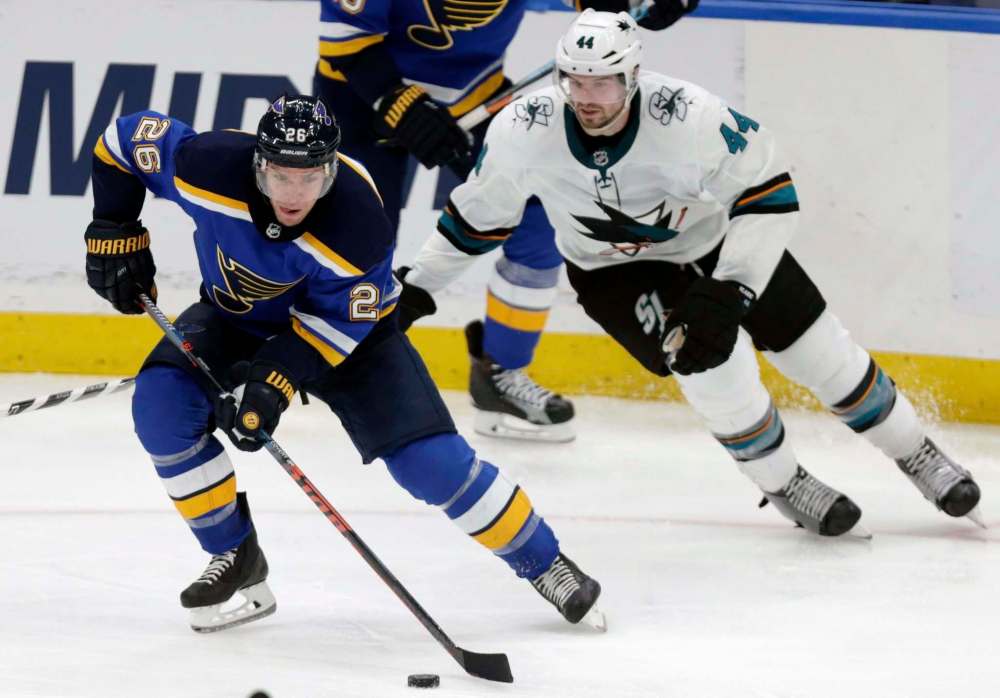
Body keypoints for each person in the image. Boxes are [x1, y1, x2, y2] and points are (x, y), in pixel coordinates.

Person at [395, 10, 984, 537]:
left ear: (631, 77)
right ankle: (784, 482)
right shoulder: (524, 131)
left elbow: (771, 193)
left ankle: (917, 453)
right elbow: (475, 220)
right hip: (615, 275)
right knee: (712, 372)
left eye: (601, 82)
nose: (586, 96)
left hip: (719, 243)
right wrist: (418, 288)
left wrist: (733, 287)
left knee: (820, 353)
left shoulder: (689, 115)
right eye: (574, 80)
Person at [84, 95, 603, 632]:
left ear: (330, 170)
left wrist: (271, 383)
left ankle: (546, 563)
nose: (294, 194)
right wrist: (113, 226)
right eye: (281, 176)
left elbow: (336, 326)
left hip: (352, 335)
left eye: (309, 178)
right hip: (235, 320)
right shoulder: (205, 165)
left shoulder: (357, 223)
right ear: (258, 163)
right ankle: (234, 555)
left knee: (430, 463)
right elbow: (122, 140)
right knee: (161, 405)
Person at [314, 0, 698, 442]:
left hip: (474, 95)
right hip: (362, 100)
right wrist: (400, 105)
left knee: (541, 218)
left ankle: (501, 372)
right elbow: (346, 40)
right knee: (354, 241)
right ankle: (304, 361)